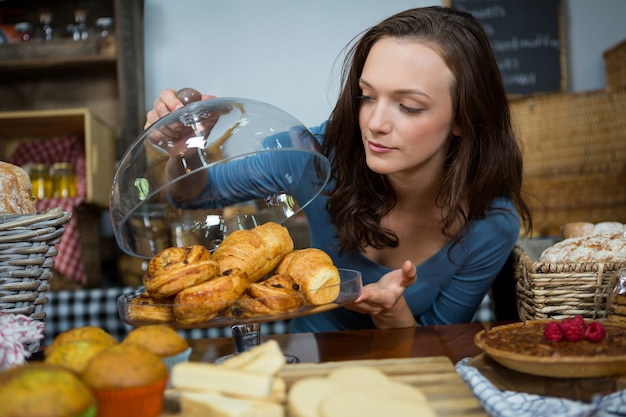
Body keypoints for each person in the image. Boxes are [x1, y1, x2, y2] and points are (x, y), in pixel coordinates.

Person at [144, 6, 532, 332]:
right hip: (306, 366)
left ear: (464, 118)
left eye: (409, 106)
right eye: (366, 96)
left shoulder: (491, 224)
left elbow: (439, 350)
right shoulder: (314, 153)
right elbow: (191, 193)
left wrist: (390, 311)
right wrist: (184, 150)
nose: (375, 123)